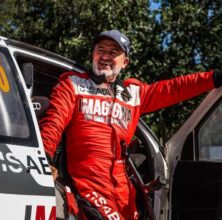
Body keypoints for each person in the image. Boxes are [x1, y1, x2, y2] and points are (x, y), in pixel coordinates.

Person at [39, 29, 222, 220]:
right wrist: (43, 156)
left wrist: (213, 78)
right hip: (88, 179)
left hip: (122, 186)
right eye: (101, 50)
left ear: (125, 62)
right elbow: (54, 121)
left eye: (113, 52)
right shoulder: (72, 83)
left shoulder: (133, 93)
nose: (105, 56)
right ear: (93, 54)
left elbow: (173, 88)